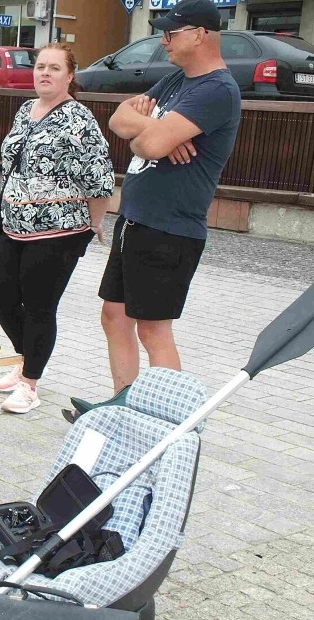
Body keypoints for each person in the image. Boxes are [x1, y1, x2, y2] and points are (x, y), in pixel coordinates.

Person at [94, 0, 242, 399]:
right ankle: (123, 406)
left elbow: (150, 143)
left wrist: (154, 136)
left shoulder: (216, 89)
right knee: (115, 316)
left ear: (199, 34)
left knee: (153, 328)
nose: (164, 41)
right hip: (136, 218)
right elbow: (118, 119)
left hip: (170, 227)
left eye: (171, 33)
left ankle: (167, 419)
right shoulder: (178, 82)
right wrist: (159, 132)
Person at [0, 43, 114, 414]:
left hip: (60, 230)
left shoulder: (79, 120)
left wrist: (95, 223)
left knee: (40, 307)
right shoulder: (26, 109)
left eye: (54, 68)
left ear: (69, 76)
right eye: (40, 66)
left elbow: (99, 178)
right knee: (0, 296)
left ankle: (30, 383)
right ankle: (28, 359)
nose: (45, 73)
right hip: (14, 225)